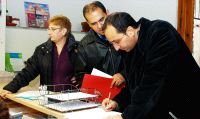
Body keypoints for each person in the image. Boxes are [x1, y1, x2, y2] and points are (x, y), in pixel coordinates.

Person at [101, 12, 200, 119]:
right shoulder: (129, 47)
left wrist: (127, 116)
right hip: (160, 108)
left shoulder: (161, 32)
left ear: (130, 31)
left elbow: (151, 84)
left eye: (117, 41)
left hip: (188, 105)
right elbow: (134, 85)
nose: (116, 48)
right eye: (112, 43)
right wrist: (117, 102)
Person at [0, 15, 79, 98]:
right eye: (48, 29)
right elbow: (28, 72)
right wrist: (11, 88)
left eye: (53, 29)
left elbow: (89, 70)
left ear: (64, 31)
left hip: (72, 98)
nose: (49, 32)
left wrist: (80, 77)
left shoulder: (78, 49)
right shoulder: (42, 50)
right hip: (48, 98)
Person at [75, 1, 125, 87]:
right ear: (88, 24)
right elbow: (80, 76)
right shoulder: (84, 45)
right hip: (101, 96)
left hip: (128, 93)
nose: (99, 26)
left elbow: (139, 62)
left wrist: (123, 75)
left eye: (101, 19)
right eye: (93, 23)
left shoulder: (124, 33)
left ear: (108, 14)